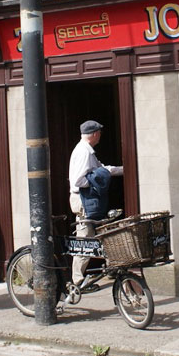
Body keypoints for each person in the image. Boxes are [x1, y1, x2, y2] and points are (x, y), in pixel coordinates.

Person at [68, 120, 123, 288]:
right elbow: (78, 180)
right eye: (99, 133)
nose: (100, 136)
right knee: (85, 240)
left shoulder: (87, 151)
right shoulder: (84, 152)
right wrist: (95, 181)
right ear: (95, 134)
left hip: (87, 199)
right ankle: (77, 281)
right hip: (84, 200)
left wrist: (122, 169)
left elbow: (102, 169)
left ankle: (111, 266)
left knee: (101, 232)